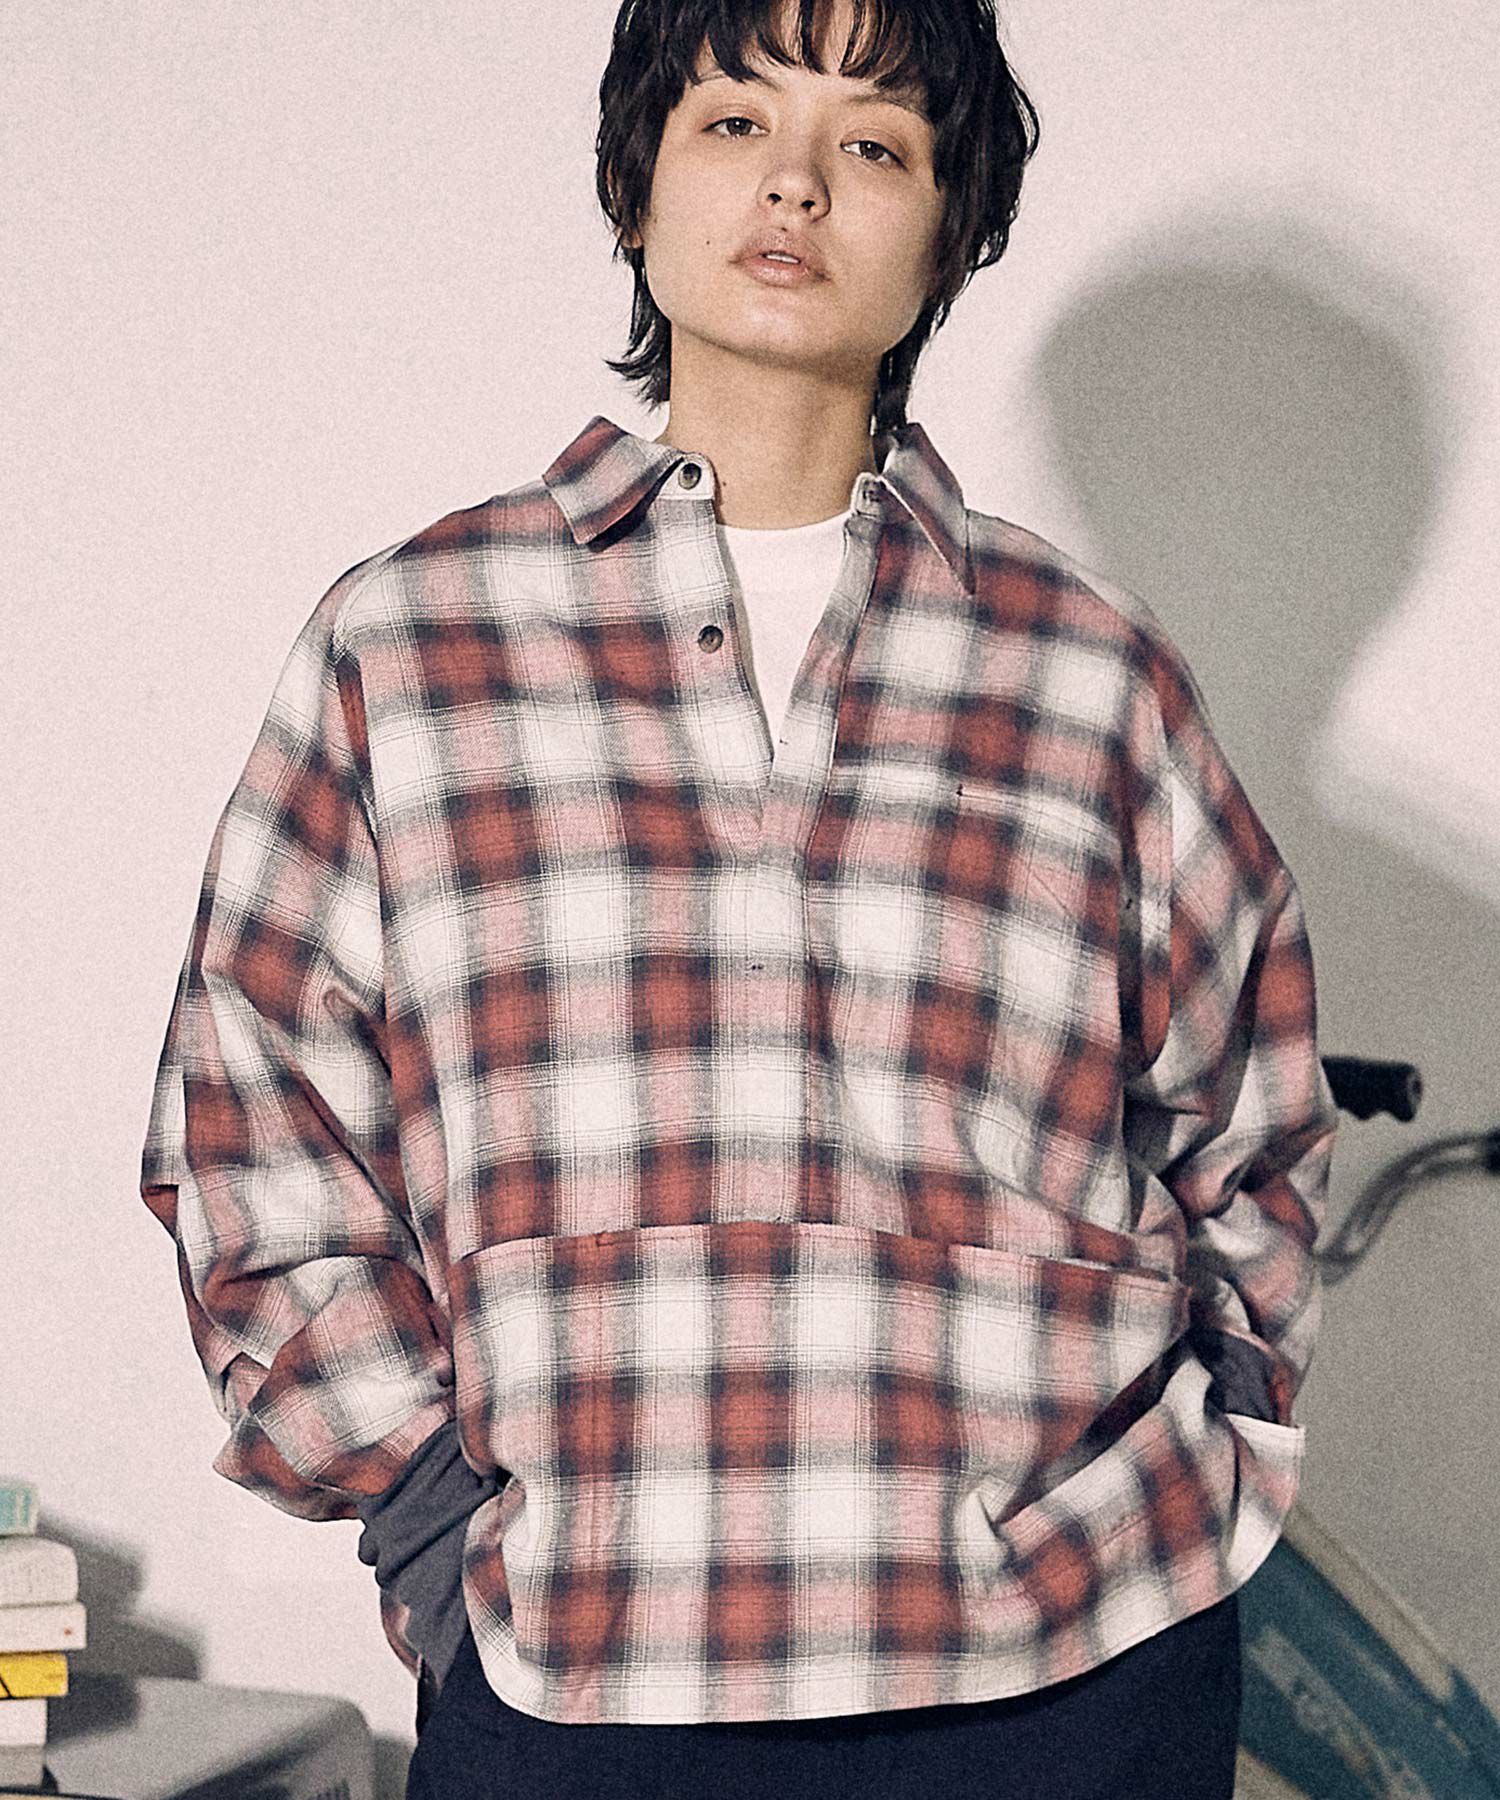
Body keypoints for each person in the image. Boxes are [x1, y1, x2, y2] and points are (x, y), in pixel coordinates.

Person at [137, 0, 1340, 1795]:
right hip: (578, 1677)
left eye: (874, 143)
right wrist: (425, 1510)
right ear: (636, 185)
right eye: (733, 122)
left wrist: (1216, 1453)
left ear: (949, 233)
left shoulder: (1092, 673)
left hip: (1080, 1676)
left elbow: (1252, 1120)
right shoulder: (412, 642)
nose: (796, 181)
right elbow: (253, 1127)